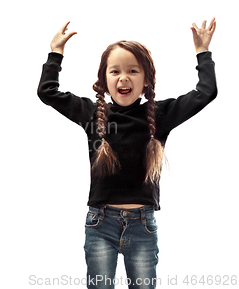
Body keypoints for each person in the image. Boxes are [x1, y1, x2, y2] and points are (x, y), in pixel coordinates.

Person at [37, 19, 217, 289]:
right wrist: (55, 54)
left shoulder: (159, 115)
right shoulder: (91, 114)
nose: (123, 78)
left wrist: (203, 52)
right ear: (104, 80)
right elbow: (47, 92)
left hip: (142, 226)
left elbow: (205, 93)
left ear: (146, 81)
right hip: (100, 224)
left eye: (133, 71)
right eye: (115, 71)